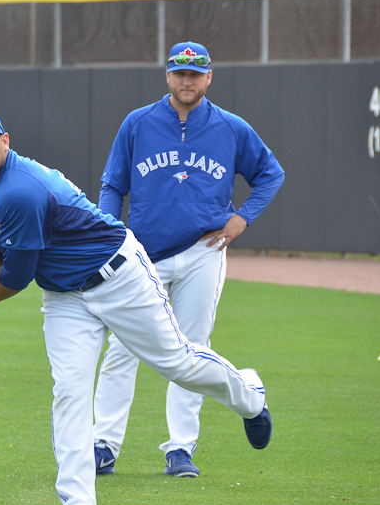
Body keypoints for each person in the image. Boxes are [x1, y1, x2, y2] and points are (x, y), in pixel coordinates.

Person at [0, 105, 271, 505]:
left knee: (179, 363)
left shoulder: (19, 189)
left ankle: (250, 396)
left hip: (118, 276)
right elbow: (2, 260)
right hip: (66, 296)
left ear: (5, 141)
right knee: (69, 393)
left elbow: (17, 275)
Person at [92, 41, 285, 479]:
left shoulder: (231, 128)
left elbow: (271, 173)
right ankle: (103, 444)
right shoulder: (138, 124)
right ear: (167, 75)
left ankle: (180, 448)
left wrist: (243, 219)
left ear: (209, 77)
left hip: (204, 250)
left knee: (192, 348)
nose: (187, 80)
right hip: (142, 254)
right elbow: (112, 185)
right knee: (122, 348)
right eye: (180, 72)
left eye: (196, 73)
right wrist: (110, 230)